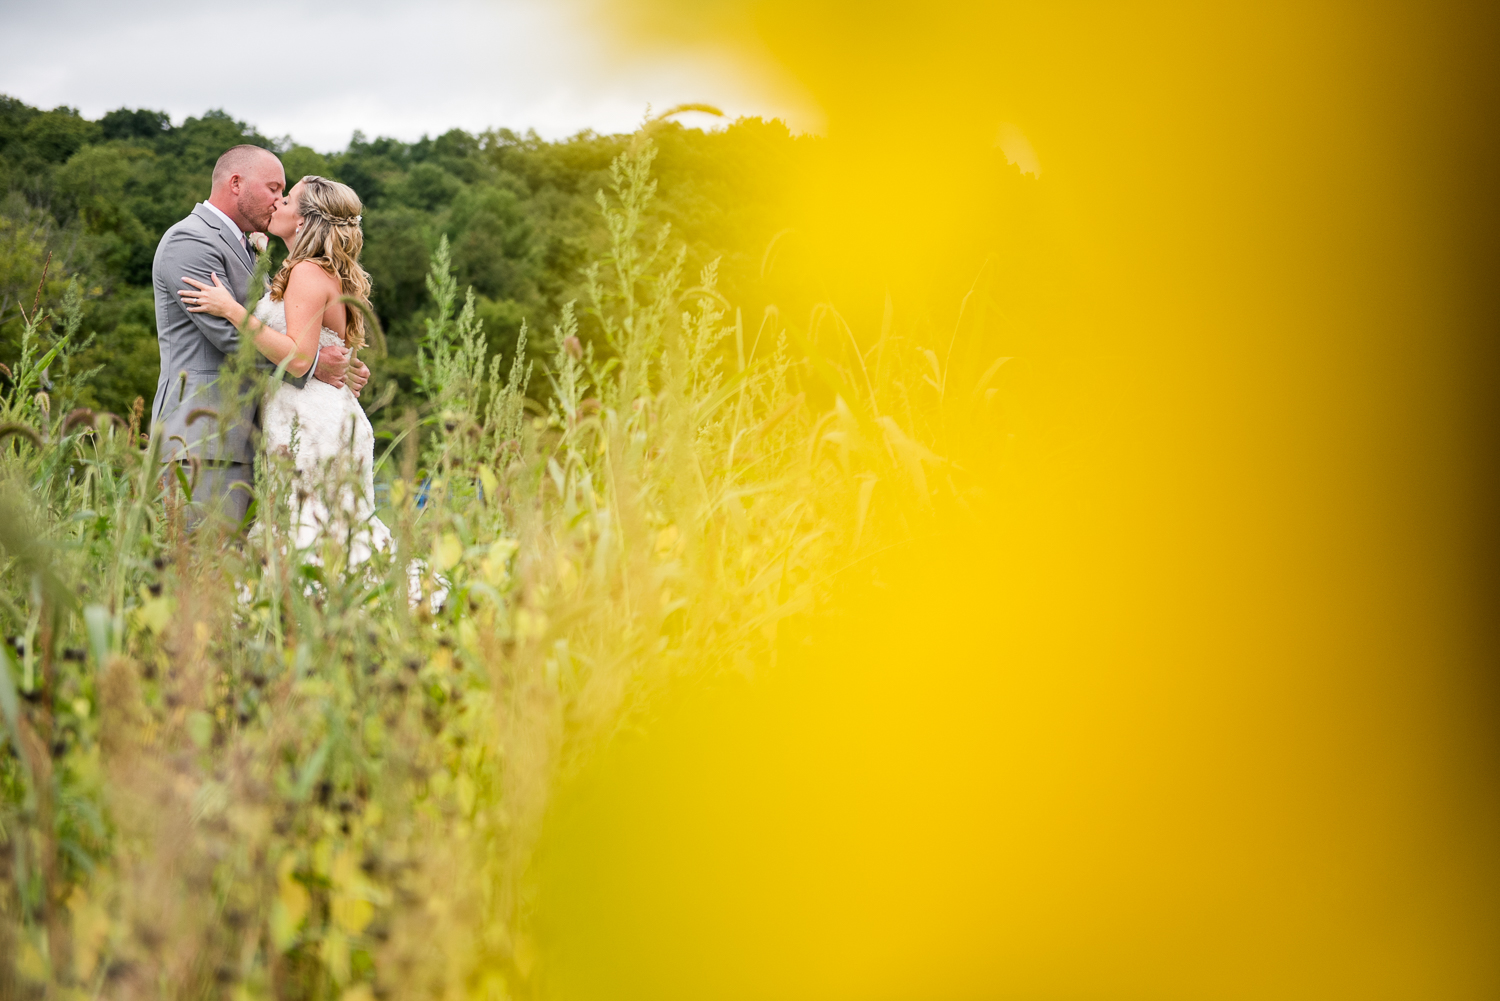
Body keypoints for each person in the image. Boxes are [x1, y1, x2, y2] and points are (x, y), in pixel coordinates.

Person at [150, 144, 370, 525]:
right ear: (236, 183)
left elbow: (292, 329)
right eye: (273, 188)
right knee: (200, 569)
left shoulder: (270, 257)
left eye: (284, 194)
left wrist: (335, 362)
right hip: (205, 436)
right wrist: (315, 364)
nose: (278, 200)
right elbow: (228, 336)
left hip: (264, 434)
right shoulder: (190, 241)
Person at [178, 175, 390, 563]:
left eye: (287, 199)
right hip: (314, 412)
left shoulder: (308, 272)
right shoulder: (317, 271)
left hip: (309, 422)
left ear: (305, 221)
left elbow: (297, 359)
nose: (277, 204)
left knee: (309, 536)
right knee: (324, 534)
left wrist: (231, 309)